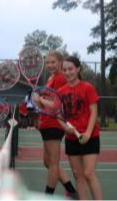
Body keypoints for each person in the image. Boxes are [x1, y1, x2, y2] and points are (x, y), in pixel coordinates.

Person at [58, 56, 102, 201]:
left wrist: (88, 133)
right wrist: (65, 128)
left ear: (78, 69)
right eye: (64, 70)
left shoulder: (87, 87)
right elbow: (59, 115)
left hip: (89, 136)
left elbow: (94, 111)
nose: (68, 72)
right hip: (72, 138)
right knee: (78, 175)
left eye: (70, 69)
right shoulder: (61, 91)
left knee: (89, 173)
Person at [38, 51, 77, 198]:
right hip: (45, 122)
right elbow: (46, 101)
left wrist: (40, 100)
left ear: (61, 62)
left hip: (54, 123)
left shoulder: (60, 78)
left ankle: (48, 196)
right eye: (47, 62)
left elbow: (56, 104)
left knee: (53, 163)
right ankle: (71, 190)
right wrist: (37, 101)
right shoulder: (51, 78)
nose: (50, 65)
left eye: (53, 62)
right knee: (47, 162)